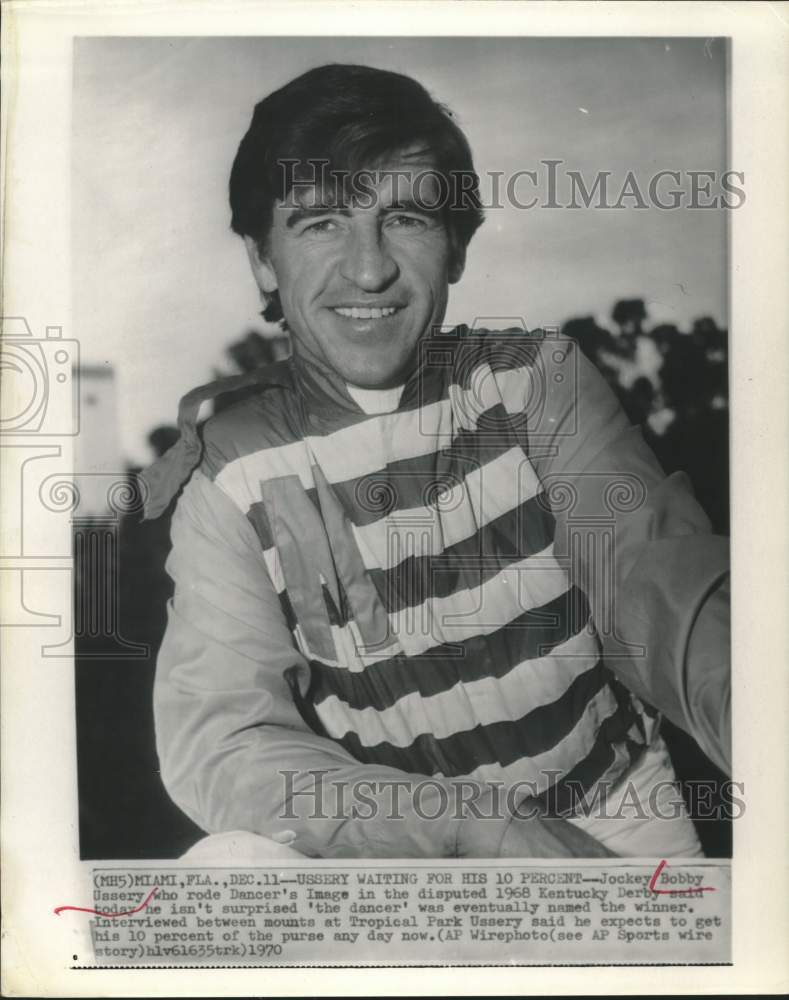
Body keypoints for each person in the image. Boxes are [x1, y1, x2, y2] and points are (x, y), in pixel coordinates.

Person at [142, 64, 730, 861]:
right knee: (225, 866)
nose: (368, 269)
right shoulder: (226, 474)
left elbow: (656, 585)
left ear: (455, 244)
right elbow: (227, 739)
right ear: (261, 261)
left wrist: (747, 706)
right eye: (319, 224)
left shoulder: (535, 381)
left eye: (406, 218)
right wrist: (463, 822)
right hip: (403, 850)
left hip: (612, 814)